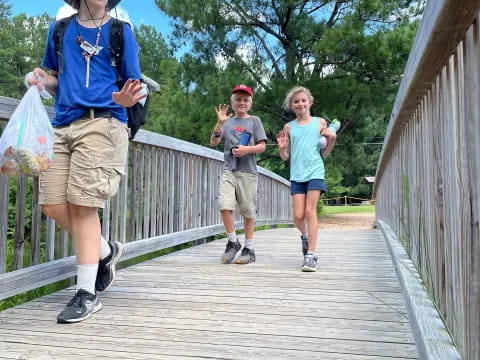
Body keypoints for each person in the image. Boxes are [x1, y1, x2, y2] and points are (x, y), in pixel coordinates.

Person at [28, 0, 146, 323]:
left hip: (104, 122)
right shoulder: (61, 29)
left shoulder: (121, 32)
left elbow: (136, 87)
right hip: (62, 124)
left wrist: (125, 97)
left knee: (82, 204)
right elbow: (56, 79)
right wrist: (41, 80)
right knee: (52, 203)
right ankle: (105, 251)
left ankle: (86, 293)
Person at [276, 86, 336, 272]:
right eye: (296, 101)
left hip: (315, 172)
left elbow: (325, 153)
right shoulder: (289, 127)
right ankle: (304, 236)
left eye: (303, 100)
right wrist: (281, 148)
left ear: (310, 101)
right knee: (297, 216)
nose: (300, 104)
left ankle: (311, 255)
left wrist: (332, 139)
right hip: (297, 175)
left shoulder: (320, 123)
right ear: (291, 106)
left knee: (310, 211)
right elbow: (285, 157)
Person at [210, 85, 267, 265]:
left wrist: (246, 150)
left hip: (248, 171)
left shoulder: (255, 121)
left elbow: (262, 146)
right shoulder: (226, 122)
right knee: (224, 205)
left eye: (245, 99)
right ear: (232, 102)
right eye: (238, 99)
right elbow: (214, 142)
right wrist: (219, 122)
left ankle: (249, 248)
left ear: (250, 102)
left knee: (247, 210)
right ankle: (233, 241)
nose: (242, 102)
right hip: (229, 170)